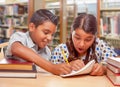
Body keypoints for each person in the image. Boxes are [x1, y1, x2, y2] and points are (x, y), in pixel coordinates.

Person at [5, 9, 72, 75]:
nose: (50, 38)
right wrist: (52, 67)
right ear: (32, 27)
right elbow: (16, 49)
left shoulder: (47, 51)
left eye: (52, 34)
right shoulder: (20, 37)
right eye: (46, 32)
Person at [50, 13, 118, 76]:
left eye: (88, 40)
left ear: (95, 36)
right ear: (71, 32)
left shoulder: (99, 46)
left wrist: (104, 69)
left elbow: (117, 63)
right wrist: (68, 66)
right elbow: (50, 73)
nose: (81, 44)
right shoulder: (60, 51)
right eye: (77, 38)